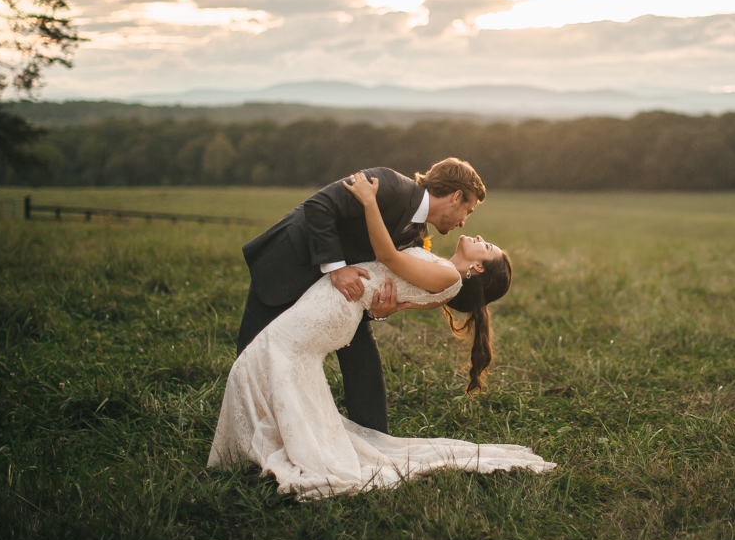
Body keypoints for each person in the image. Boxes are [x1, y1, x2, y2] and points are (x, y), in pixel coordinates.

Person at [208, 172, 554, 498]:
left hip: (337, 302)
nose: (473, 228)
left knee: (268, 357)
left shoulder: (448, 277)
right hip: (328, 290)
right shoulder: (435, 260)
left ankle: (270, 449)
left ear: (478, 268)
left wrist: (369, 201)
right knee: (272, 361)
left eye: (486, 245)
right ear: (456, 195)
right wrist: (378, 308)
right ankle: (277, 442)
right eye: (469, 210)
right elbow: (393, 299)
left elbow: (386, 256)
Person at [235, 158, 484, 434]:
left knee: (363, 360)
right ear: (456, 196)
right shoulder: (386, 183)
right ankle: (252, 437)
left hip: (340, 296)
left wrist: (379, 309)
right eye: (468, 211)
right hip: (288, 265)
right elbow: (319, 206)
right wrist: (336, 268)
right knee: (251, 354)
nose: (464, 223)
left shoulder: (417, 234)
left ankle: (374, 437)